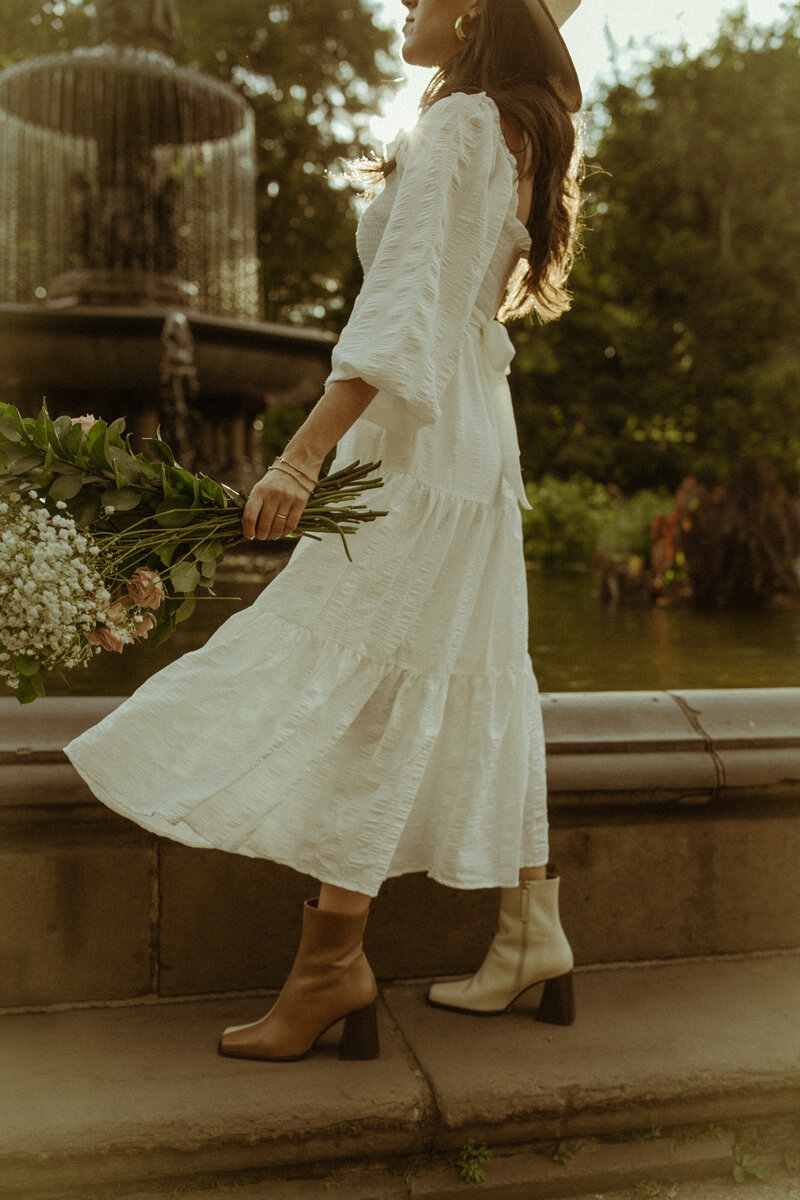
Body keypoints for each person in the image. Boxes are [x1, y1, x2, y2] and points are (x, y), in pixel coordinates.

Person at [65, 0, 583, 1062]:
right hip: (476, 442)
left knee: (361, 684)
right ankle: (518, 936)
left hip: (416, 440)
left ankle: (331, 967)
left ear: (470, 8)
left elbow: (400, 312)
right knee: (461, 672)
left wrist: (300, 455)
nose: (399, 3)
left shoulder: (461, 124)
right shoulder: (515, 127)